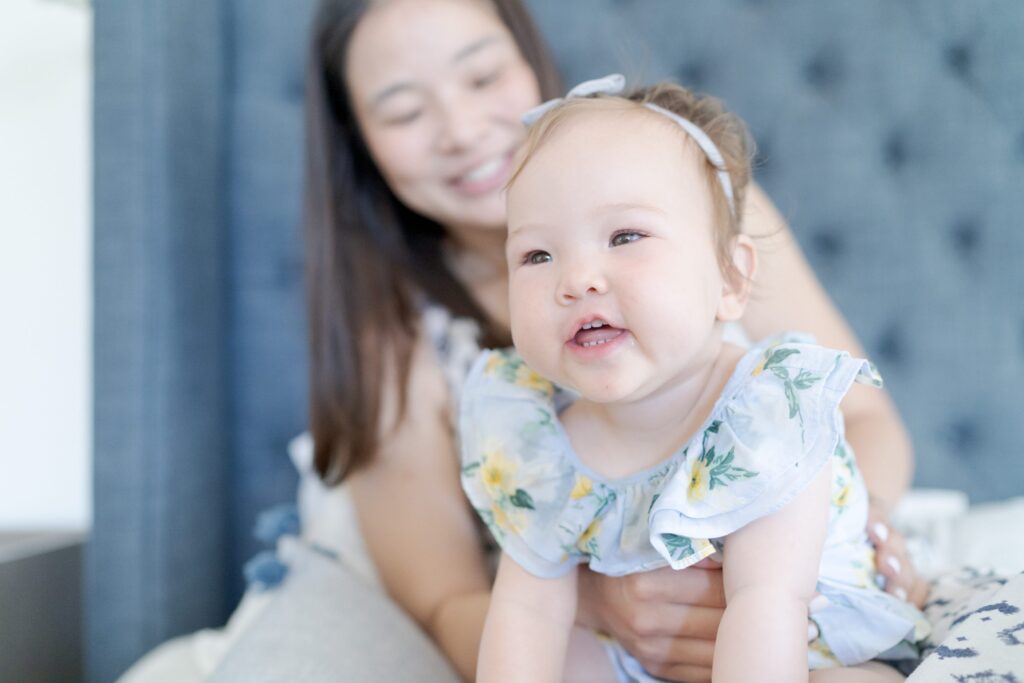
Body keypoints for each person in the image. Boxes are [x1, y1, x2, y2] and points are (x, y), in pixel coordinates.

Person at [119, 1, 924, 681]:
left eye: (481, 76)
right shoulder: (405, 345)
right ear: (359, 143)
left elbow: (864, 420)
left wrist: (847, 534)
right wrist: (604, 603)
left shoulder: (697, 196)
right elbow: (451, 601)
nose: (464, 128)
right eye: (403, 110)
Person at [460, 75, 929, 682]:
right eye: (536, 256)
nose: (574, 280)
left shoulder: (765, 415)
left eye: (625, 236)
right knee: (560, 650)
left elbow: (767, 602)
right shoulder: (543, 450)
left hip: (804, 647)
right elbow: (524, 613)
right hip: (641, 656)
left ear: (731, 280)